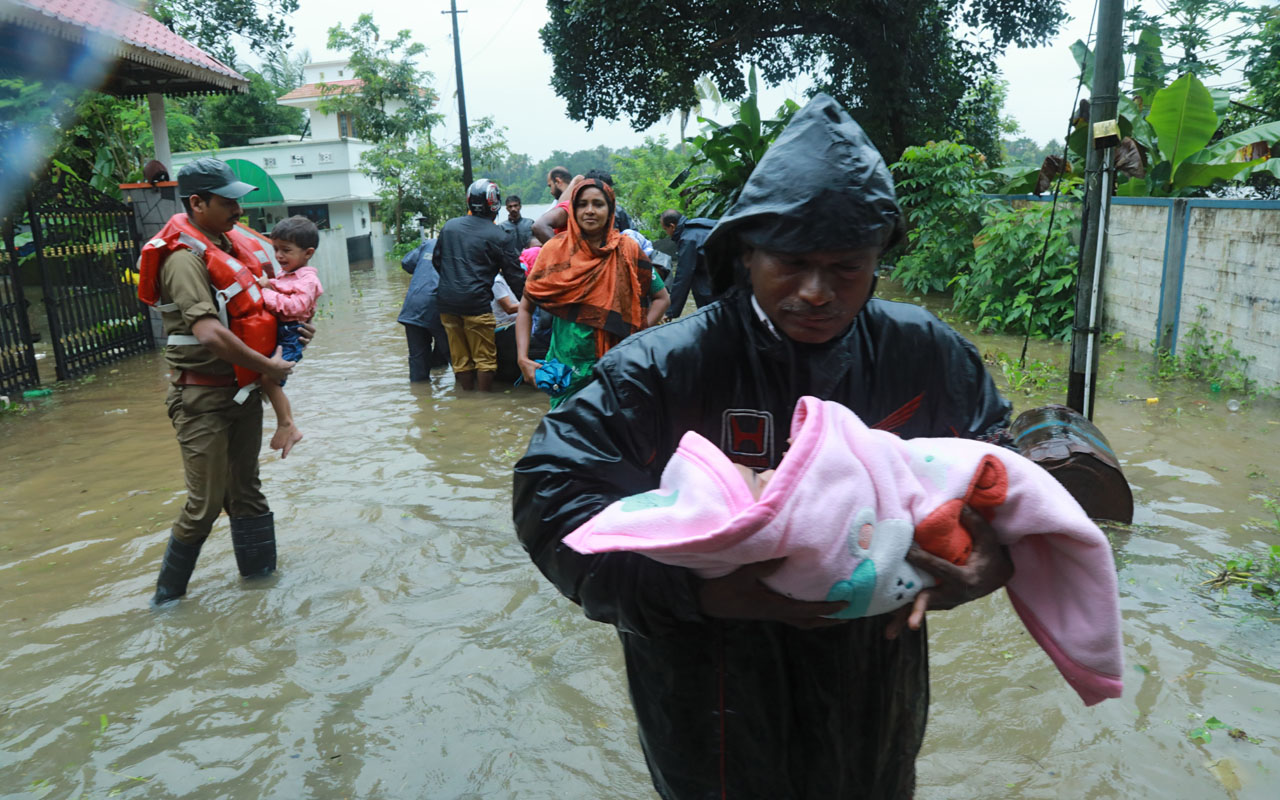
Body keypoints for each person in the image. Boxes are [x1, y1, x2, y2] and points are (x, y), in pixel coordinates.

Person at [513, 95, 1017, 798]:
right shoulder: (661, 365)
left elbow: (1011, 463)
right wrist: (699, 593)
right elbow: (548, 495)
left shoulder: (924, 353)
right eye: (791, 262)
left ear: (878, 259)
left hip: (872, 672)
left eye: (846, 268)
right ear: (746, 251)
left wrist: (994, 559)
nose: (816, 292)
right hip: (706, 685)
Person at [136, 157, 303, 606]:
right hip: (201, 398)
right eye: (229, 202)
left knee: (247, 494)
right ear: (197, 202)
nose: (239, 211)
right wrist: (269, 367)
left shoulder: (228, 246)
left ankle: (262, 592)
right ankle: (166, 605)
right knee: (204, 505)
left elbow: (255, 311)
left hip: (241, 393)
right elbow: (209, 334)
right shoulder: (182, 259)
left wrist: (290, 333)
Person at [514, 178, 670, 406]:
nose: (589, 211)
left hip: (617, 364)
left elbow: (662, 298)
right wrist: (522, 358)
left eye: (598, 204)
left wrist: (636, 336)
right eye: (582, 204)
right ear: (573, 210)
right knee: (565, 434)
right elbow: (525, 308)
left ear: (610, 210)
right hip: (566, 367)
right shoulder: (554, 251)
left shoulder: (627, 250)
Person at [434, 179, 526, 392]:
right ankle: (483, 402)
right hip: (476, 304)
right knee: (485, 359)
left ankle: (466, 399)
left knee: (460, 359)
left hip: (447, 304)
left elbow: (438, 262)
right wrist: (530, 303)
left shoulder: (450, 227)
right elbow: (515, 277)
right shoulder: (499, 236)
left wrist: (452, 282)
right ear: (495, 204)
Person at [255, 215, 324, 459]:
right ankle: (287, 424)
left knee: (269, 379)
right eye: (275, 249)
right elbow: (281, 288)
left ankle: (287, 424)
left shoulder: (308, 280)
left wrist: (265, 293)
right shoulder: (287, 275)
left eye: (286, 250)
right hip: (284, 333)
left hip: (292, 335)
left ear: (308, 253)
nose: (279, 256)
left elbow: (295, 307)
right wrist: (270, 285)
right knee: (266, 378)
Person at [398, 237, 450, 380]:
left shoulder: (429, 243)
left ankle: (420, 397)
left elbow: (407, 263)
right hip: (440, 307)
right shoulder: (460, 246)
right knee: (458, 359)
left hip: (413, 306)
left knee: (417, 362)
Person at [660, 209, 718, 319]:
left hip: (714, 288)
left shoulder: (688, 240)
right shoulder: (698, 224)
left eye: (665, 229)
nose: (666, 233)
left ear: (672, 226)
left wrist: (670, 312)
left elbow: (683, 276)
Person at [531, 166, 575, 243]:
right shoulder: (556, 205)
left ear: (558, 181)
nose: (551, 191)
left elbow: (538, 226)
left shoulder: (573, 203)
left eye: (550, 186)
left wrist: (557, 252)